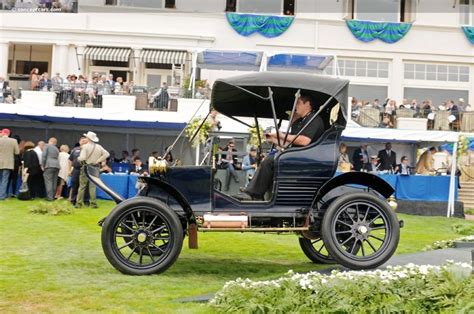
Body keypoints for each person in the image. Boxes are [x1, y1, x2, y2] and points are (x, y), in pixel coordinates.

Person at [240, 94, 325, 201]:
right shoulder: (301, 121)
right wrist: (273, 139)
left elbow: (304, 141)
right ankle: (260, 193)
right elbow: (290, 143)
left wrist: (281, 135)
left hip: (306, 158)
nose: (295, 107)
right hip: (298, 154)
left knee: (270, 160)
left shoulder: (313, 119)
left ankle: (254, 193)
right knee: (268, 159)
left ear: (307, 104)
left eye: (298, 103)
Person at [76, 131, 109, 208]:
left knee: (82, 186)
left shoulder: (85, 147)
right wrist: (98, 160)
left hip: (86, 166)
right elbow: (107, 154)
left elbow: (82, 158)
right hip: (95, 167)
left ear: (88, 138)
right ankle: (93, 203)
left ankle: (79, 203)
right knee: (93, 186)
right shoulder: (99, 147)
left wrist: (78, 158)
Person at [0, 129, 20, 200]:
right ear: (8, 133)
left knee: (2, 180)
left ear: (3, 133)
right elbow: (17, 152)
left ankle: (2, 195)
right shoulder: (13, 141)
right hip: (8, 163)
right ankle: (2, 196)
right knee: (5, 180)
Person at [68, 137, 86, 205]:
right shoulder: (75, 150)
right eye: (82, 140)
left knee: (83, 186)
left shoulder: (87, 150)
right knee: (74, 185)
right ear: (79, 141)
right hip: (76, 169)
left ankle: (83, 201)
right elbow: (70, 160)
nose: (83, 142)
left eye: (85, 141)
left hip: (84, 170)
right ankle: (73, 200)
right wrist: (69, 170)